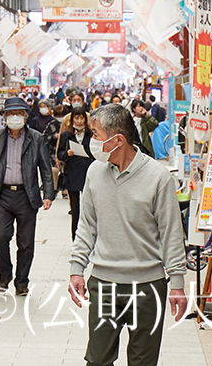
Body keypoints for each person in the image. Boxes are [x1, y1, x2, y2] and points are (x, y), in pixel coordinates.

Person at [70, 103, 188, 366]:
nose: (92, 141)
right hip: (104, 283)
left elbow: (171, 234)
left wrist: (177, 284)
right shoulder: (94, 172)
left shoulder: (158, 178)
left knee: (142, 362)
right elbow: (87, 225)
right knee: (97, 360)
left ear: (118, 140)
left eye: (96, 134)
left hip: (148, 287)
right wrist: (77, 268)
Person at [0, 97, 55, 295]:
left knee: (26, 242)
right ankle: (4, 275)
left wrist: (48, 193)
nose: (15, 117)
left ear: (25, 116)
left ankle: (21, 282)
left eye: (19, 113)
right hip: (3, 195)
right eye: (11, 114)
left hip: (26, 195)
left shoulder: (36, 138)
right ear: (4, 117)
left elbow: (46, 168)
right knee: (0, 237)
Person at [56, 106, 95, 236]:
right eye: (76, 118)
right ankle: (76, 237)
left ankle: (89, 236)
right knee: (75, 209)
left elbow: (97, 151)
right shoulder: (66, 135)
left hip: (88, 172)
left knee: (89, 208)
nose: (79, 121)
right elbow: (60, 154)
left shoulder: (91, 134)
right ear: (72, 119)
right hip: (72, 173)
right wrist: (67, 154)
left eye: (81, 118)